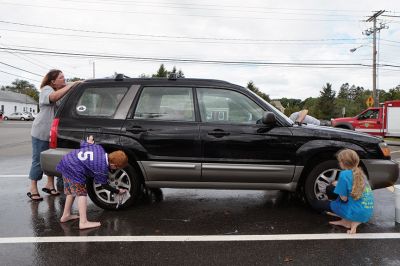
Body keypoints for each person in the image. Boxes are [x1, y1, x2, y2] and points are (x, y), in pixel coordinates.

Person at [27, 70, 79, 201]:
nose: (64, 79)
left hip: (54, 133)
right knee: (38, 160)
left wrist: (79, 83)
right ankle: (32, 188)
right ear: (53, 81)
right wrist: (72, 85)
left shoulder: (60, 91)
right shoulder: (47, 89)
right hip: (41, 132)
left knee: (50, 159)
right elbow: (53, 97)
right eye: (61, 78)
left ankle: (50, 185)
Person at [57, 136, 128, 230]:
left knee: (71, 191)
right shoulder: (102, 169)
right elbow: (104, 185)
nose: (115, 170)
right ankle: (83, 222)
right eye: (117, 168)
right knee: (81, 193)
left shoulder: (99, 148)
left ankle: (66, 215)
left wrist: (90, 141)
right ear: (113, 165)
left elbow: (84, 144)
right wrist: (117, 191)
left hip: (67, 160)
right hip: (74, 168)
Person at [314, 149, 374, 234]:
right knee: (332, 189)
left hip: (354, 213)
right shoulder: (360, 173)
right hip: (367, 213)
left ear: (342, 162)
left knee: (317, 203)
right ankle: (347, 219)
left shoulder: (344, 174)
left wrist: (338, 186)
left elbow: (344, 199)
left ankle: (346, 219)